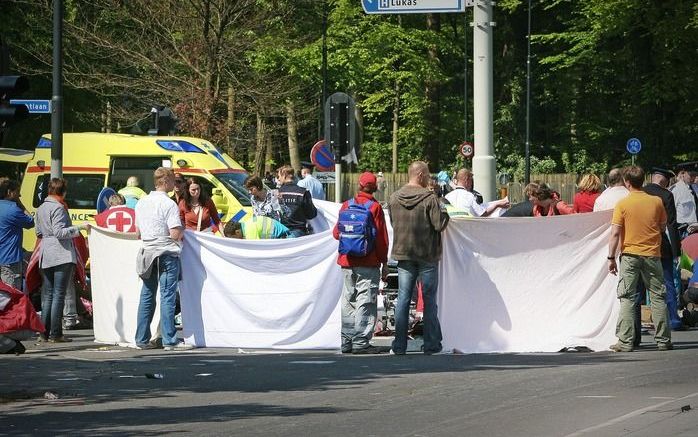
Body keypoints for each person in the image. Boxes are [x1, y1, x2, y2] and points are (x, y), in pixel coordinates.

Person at [607, 166, 672, 352]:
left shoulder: (623, 204)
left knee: (627, 297)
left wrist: (611, 257)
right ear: (643, 180)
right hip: (652, 254)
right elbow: (662, 226)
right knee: (658, 297)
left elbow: (615, 233)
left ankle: (625, 342)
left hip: (630, 255)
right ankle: (663, 340)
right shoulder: (657, 202)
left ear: (627, 182)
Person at [388, 161, 450, 355]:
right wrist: (446, 212)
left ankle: (399, 345)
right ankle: (431, 344)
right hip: (427, 254)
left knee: (403, 299)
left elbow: (393, 222)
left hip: (403, 253)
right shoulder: (429, 198)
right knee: (430, 300)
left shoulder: (394, 198)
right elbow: (439, 224)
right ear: (421, 174)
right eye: (428, 174)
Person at [134, 167, 191, 351]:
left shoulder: (141, 202)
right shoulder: (169, 204)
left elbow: (137, 233)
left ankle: (142, 339)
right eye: (173, 181)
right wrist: (183, 230)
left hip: (147, 252)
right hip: (166, 253)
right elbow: (175, 233)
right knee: (167, 296)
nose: (175, 184)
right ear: (165, 181)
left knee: (147, 295)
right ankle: (170, 340)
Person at [333, 172, 389, 354]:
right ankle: (361, 342)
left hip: (347, 261)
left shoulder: (346, 205)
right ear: (374, 188)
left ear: (359, 185)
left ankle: (346, 341)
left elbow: (336, 233)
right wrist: (384, 262)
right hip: (368, 261)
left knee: (348, 300)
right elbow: (381, 238)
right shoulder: (375, 207)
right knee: (366, 300)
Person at [35, 178, 89, 343]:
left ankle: (44, 333)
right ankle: (56, 333)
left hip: (46, 254)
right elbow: (60, 232)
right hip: (61, 254)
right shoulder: (59, 208)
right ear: (63, 192)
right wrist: (79, 228)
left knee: (49, 295)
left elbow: (38, 232)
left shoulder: (41, 208)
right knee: (59, 295)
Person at [633, 168, 683, 335]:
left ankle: (637, 323)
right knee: (667, 283)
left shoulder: (640, 192)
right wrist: (676, 250)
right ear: (665, 181)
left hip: (639, 245)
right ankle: (673, 319)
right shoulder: (666, 196)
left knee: (639, 287)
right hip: (660, 245)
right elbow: (671, 224)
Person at [0, 179, 34, 291]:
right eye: (17, 191)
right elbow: (30, 222)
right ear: (9, 192)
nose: (19, 194)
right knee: (11, 294)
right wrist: (20, 204)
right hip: (10, 259)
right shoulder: (13, 209)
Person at [277, 165, 317, 238]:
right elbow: (311, 214)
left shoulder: (276, 193)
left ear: (284, 176)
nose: (278, 179)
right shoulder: (303, 192)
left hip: (280, 232)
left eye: (279, 176)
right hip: (298, 233)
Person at [671, 169, 698, 238]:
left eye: (695, 175)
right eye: (691, 175)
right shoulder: (675, 189)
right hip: (684, 231)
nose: (693, 178)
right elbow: (670, 212)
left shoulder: (696, 187)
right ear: (683, 174)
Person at [223, 216, 290, 239]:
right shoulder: (248, 223)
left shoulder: (249, 232)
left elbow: (256, 250)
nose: (234, 240)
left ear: (237, 232)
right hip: (282, 235)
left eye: (233, 237)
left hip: (283, 238)